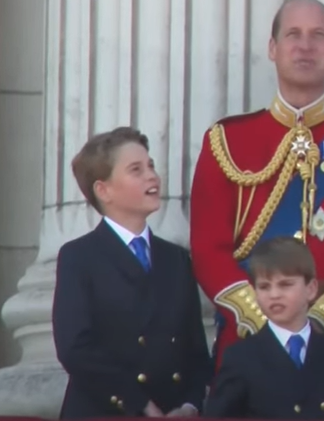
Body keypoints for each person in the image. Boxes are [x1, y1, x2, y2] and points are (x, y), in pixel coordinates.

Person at [189, 0, 324, 419]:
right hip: (250, 356)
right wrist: (269, 322)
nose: (305, 46)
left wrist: (318, 321)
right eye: (293, 35)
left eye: (318, 36)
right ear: (272, 48)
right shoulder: (226, 141)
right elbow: (208, 248)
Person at [52, 127, 211, 418]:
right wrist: (138, 403)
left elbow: (195, 350)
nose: (152, 176)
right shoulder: (79, 257)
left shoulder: (176, 258)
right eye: (136, 170)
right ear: (104, 190)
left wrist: (190, 405)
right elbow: (75, 349)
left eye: (150, 166)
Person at [204, 236, 324, 419]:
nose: (274, 295)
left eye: (285, 285)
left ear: (311, 289)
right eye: (264, 287)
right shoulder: (240, 357)